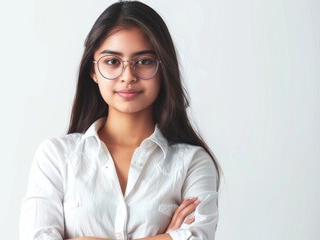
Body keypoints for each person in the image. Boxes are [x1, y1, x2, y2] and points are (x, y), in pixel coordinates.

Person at [19, 1, 220, 240]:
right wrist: (167, 237)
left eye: (144, 61)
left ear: (162, 67)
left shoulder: (192, 163)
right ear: (93, 71)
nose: (128, 76)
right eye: (112, 62)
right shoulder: (56, 157)